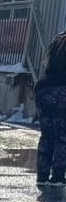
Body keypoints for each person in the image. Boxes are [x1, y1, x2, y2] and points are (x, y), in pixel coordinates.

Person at [35, 30, 66, 190]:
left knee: (47, 134)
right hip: (62, 89)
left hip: (43, 88)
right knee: (63, 134)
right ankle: (58, 176)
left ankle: (42, 175)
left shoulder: (58, 40)